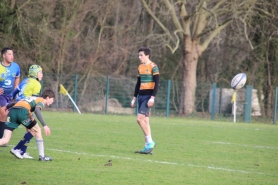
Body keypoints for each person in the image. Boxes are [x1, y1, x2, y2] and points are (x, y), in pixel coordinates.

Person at [0, 89, 55, 161]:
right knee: (37, 129)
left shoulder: (31, 98)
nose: (52, 101)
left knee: (5, 139)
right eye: (52, 99)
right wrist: (44, 125)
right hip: (23, 112)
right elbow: (37, 110)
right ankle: (41, 156)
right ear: (47, 97)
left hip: (12, 112)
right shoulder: (41, 100)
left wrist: (7, 107)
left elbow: (16, 103)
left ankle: (21, 151)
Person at [11, 65, 48, 159]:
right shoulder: (37, 84)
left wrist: (12, 99)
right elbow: (34, 99)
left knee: (30, 130)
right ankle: (18, 150)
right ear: (35, 74)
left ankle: (22, 152)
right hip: (25, 108)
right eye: (40, 72)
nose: (42, 74)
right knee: (34, 130)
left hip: (17, 106)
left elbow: (15, 91)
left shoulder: (25, 80)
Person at [131, 47, 160, 154]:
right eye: (139, 55)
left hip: (148, 96)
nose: (139, 57)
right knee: (146, 121)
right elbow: (138, 83)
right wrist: (134, 97)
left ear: (147, 55)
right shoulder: (140, 67)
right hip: (141, 96)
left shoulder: (153, 67)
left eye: (141, 55)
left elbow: (157, 84)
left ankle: (150, 141)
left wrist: (152, 98)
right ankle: (147, 147)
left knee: (139, 119)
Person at [0, 47, 21, 145]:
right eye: (9, 54)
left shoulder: (15, 67)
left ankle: (2, 140)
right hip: (1, 95)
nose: (12, 56)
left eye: (12, 54)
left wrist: (16, 89)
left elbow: (17, 77)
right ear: (4, 56)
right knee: (4, 115)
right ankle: (2, 140)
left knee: (6, 116)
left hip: (10, 95)